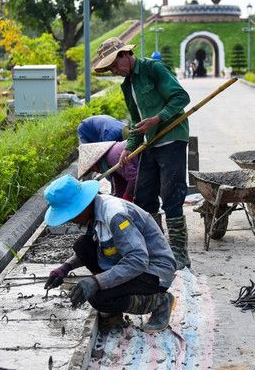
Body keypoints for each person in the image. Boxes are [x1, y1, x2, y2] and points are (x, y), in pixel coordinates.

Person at [93, 37, 192, 269]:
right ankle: (156, 249)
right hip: (149, 144)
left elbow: (181, 97)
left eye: (115, 65)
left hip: (171, 139)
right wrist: (129, 147)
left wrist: (158, 118)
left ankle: (179, 254)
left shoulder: (152, 69)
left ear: (125, 55)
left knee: (172, 198)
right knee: (144, 198)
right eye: (110, 69)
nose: (115, 71)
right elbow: (137, 121)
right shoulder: (127, 85)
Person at [42, 175, 177, 333]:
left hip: (153, 271)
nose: (72, 221)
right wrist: (65, 268)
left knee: (98, 297)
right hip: (130, 263)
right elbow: (99, 246)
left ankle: (160, 302)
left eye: (71, 216)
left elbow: (138, 261)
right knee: (82, 245)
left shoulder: (116, 216)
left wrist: (97, 282)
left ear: (83, 205)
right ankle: (114, 305)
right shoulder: (94, 213)